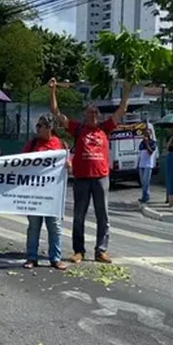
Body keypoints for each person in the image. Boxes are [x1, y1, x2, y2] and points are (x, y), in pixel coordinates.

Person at [48, 78, 130, 264]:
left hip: (101, 178)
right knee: (79, 215)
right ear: (84, 115)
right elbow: (56, 112)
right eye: (90, 112)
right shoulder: (78, 129)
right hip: (82, 179)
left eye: (96, 112)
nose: (93, 115)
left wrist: (126, 92)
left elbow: (121, 111)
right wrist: (52, 91)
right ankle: (79, 250)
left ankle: (101, 250)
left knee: (103, 215)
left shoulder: (104, 128)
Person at [22, 115, 66, 270]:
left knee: (54, 226)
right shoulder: (32, 143)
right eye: (37, 126)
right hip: (34, 192)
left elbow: (67, 166)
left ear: (49, 127)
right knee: (34, 226)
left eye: (40, 126)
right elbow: (22, 163)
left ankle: (55, 258)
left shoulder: (58, 144)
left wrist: (67, 164)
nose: (37, 129)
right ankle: (31, 257)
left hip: (52, 193)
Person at [138, 126, 158, 204]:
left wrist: (147, 144)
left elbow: (150, 152)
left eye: (147, 133)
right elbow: (140, 153)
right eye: (145, 133)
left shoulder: (152, 143)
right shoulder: (141, 143)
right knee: (143, 182)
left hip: (148, 165)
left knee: (146, 181)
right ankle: (144, 195)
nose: (146, 135)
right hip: (141, 165)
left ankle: (146, 197)